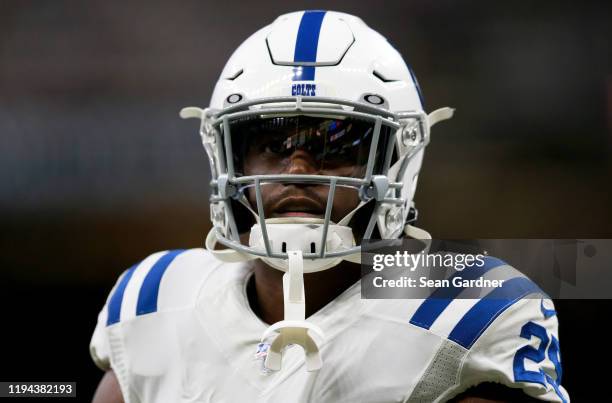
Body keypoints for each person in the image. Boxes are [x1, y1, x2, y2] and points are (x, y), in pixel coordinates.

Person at [90, 10, 569, 402]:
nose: (297, 172)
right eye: (272, 144)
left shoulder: (466, 306)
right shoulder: (154, 303)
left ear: (399, 163)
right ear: (227, 157)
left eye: (335, 145)